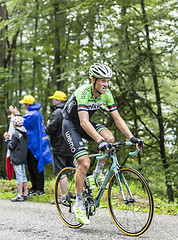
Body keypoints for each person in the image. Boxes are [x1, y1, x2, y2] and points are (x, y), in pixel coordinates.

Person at [62, 63, 143, 224]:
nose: (106, 84)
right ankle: (78, 203)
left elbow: (117, 118)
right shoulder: (83, 92)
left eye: (108, 81)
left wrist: (132, 137)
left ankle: (97, 175)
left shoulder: (107, 94)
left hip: (86, 123)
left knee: (110, 139)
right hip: (71, 125)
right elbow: (84, 122)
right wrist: (100, 141)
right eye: (103, 81)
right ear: (93, 80)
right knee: (84, 162)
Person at [19, 95, 52, 196]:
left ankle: (40, 189)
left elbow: (22, 123)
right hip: (32, 144)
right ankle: (34, 187)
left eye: (24, 104)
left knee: (35, 167)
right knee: (31, 167)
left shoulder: (33, 114)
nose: (24, 105)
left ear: (28, 104)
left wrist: (16, 114)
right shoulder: (35, 112)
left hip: (34, 145)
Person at [45, 91, 74, 204]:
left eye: (53, 99)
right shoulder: (70, 111)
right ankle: (80, 194)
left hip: (59, 147)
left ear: (57, 101)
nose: (52, 101)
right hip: (71, 146)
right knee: (74, 171)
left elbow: (49, 130)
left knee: (61, 173)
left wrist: (48, 124)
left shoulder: (57, 112)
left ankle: (63, 196)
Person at [4, 116, 29, 202]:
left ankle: (19, 194)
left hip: (17, 158)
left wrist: (7, 139)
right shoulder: (24, 132)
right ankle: (25, 193)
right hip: (22, 157)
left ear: (15, 124)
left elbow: (11, 147)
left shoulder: (15, 134)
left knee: (19, 176)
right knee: (23, 175)